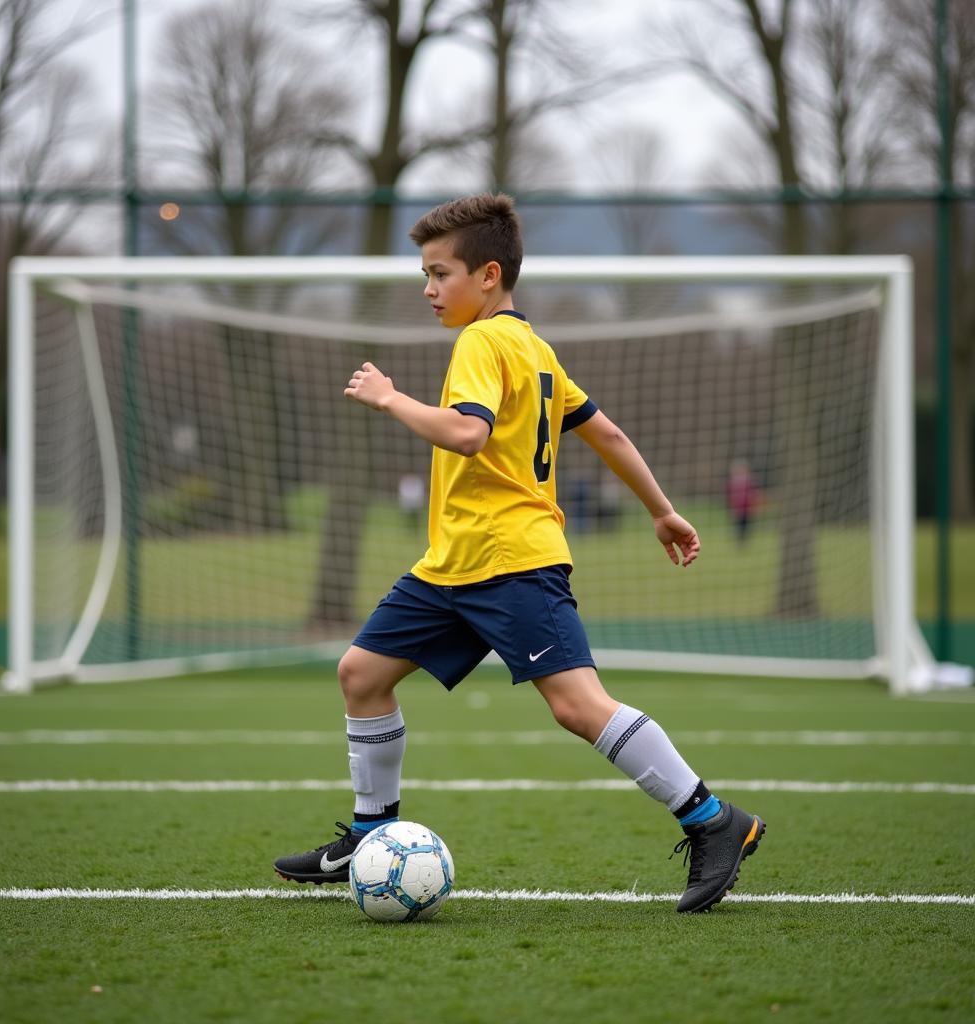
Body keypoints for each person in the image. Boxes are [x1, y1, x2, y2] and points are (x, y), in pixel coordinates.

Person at [274, 194, 764, 913]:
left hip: (511, 561)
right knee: (362, 674)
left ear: (489, 275)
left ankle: (713, 820)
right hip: (454, 563)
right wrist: (661, 510)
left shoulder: (483, 342)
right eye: (425, 274)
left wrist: (389, 398)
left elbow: (467, 434)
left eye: (440, 273)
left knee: (576, 706)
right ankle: (371, 833)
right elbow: (610, 435)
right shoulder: (534, 350)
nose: (428, 289)